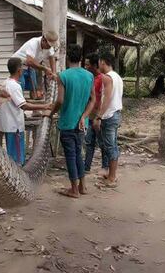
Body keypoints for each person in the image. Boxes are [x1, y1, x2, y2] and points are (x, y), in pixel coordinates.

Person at [48, 44, 95, 198]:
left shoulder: (64, 76)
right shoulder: (89, 76)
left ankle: (74, 189)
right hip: (82, 123)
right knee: (78, 154)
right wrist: (84, 116)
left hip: (67, 122)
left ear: (68, 58)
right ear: (81, 58)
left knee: (70, 155)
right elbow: (92, 100)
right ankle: (83, 186)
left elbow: (60, 100)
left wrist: (51, 112)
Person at [0, 58, 52, 165]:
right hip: (14, 127)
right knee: (17, 160)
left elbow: (20, 101)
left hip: (7, 125)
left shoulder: (4, 83)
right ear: (19, 70)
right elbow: (24, 106)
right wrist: (44, 106)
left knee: (11, 156)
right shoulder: (15, 86)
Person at [93, 52, 123, 188]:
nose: (98, 64)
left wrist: (99, 116)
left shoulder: (107, 77)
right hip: (115, 113)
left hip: (109, 116)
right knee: (112, 145)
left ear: (103, 62)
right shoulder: (117, 77)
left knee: (110, 146)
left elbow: (107, 98)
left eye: (99, 62)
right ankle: (111, 174)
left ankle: (112, 177)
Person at [12, 31, 58, 99]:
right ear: (43, 40)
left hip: (30, 66)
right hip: (17, 64)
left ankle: (33, 104)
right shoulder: (33, 43)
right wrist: (45, 69)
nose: (49, 47)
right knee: (21, 85)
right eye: (48, 45)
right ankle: (19, 104)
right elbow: (29, 61)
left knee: (34, 88)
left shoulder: (49, 47)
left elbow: (52, 58)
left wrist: (54, 72)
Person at [84, 53, 105, 173]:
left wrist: (99, 116)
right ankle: (86, 166)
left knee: (102, 142)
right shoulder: (89, 77)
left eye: (88, 64)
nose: (86, 66)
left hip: (99, 115)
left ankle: (105, 167)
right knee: (89, 142)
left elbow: (104, 98)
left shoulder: (102, 79)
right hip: (90, 114)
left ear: (94, 65)